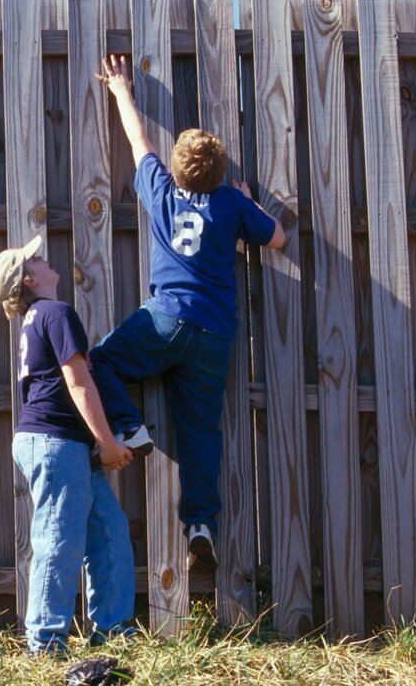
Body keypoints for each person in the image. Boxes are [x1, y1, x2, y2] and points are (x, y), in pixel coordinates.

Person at [91, 55, 286, 571]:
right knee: (201, 431)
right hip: (215, 335)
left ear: (177, 169)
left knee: (103, 362)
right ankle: (201, 522)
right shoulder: (231, 203)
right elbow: (280, 238)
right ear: (223, 174)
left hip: (166, 319)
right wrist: (250, 201)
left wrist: (120, 91)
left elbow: (138, 141)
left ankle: (131, 427)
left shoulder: (160, 190)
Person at [0, 235, 135, 654]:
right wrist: (107, 443)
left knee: (109, 532)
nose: (42, 256)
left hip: (60, 442)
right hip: (55, 444)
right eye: (33, 257)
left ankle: (115, 633)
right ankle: (45, 643)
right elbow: (78, 382)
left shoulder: (38, 318)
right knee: (59, 538)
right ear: (29, 279)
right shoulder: (56, 312)